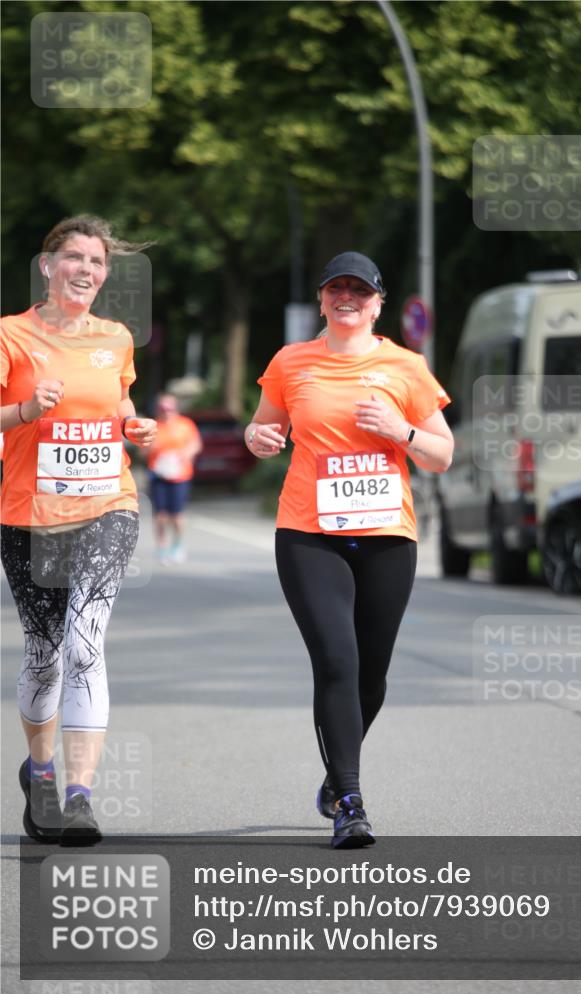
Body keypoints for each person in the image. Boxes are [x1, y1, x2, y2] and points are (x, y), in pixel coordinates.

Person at [245, 251, 454, 848]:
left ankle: (336, 775)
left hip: (387, 535)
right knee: (336, 660)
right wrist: (258, 438)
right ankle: (351, 803)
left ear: (378, 303)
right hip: (309, 533)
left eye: (359, 291)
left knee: (372, 675)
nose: (347, 298)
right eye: (337, 288)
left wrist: (400, 431)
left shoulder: (405, 366)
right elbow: (265, 429)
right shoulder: (292, 361)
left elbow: (441, 453)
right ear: (321, 299)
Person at [0, 215, 157, 846]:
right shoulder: (11, 335)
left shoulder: (116, 337)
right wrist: (24, 411)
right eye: (73, 258)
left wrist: (134, 426)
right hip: (28, 514)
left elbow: (119, 402)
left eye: (96, 262)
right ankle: (39, 772)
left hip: (107, 507)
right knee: (45, 655)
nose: (85, 270)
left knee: (85, 640)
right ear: (47, 266)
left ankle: (80, 796)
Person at [146, 393, 202, 563]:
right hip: (158, 474)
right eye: (163, 408)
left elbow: (196, 444)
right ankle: (162, 547)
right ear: (158, 409)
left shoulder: (186, 425)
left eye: (170, 408)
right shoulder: (154, 425)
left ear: (176, 409)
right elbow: (143, 450)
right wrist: (150, 447)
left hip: (180, 475)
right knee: (160, 515)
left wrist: (186, 454)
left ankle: (177, 545)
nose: (167, 412)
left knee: (176, 516)